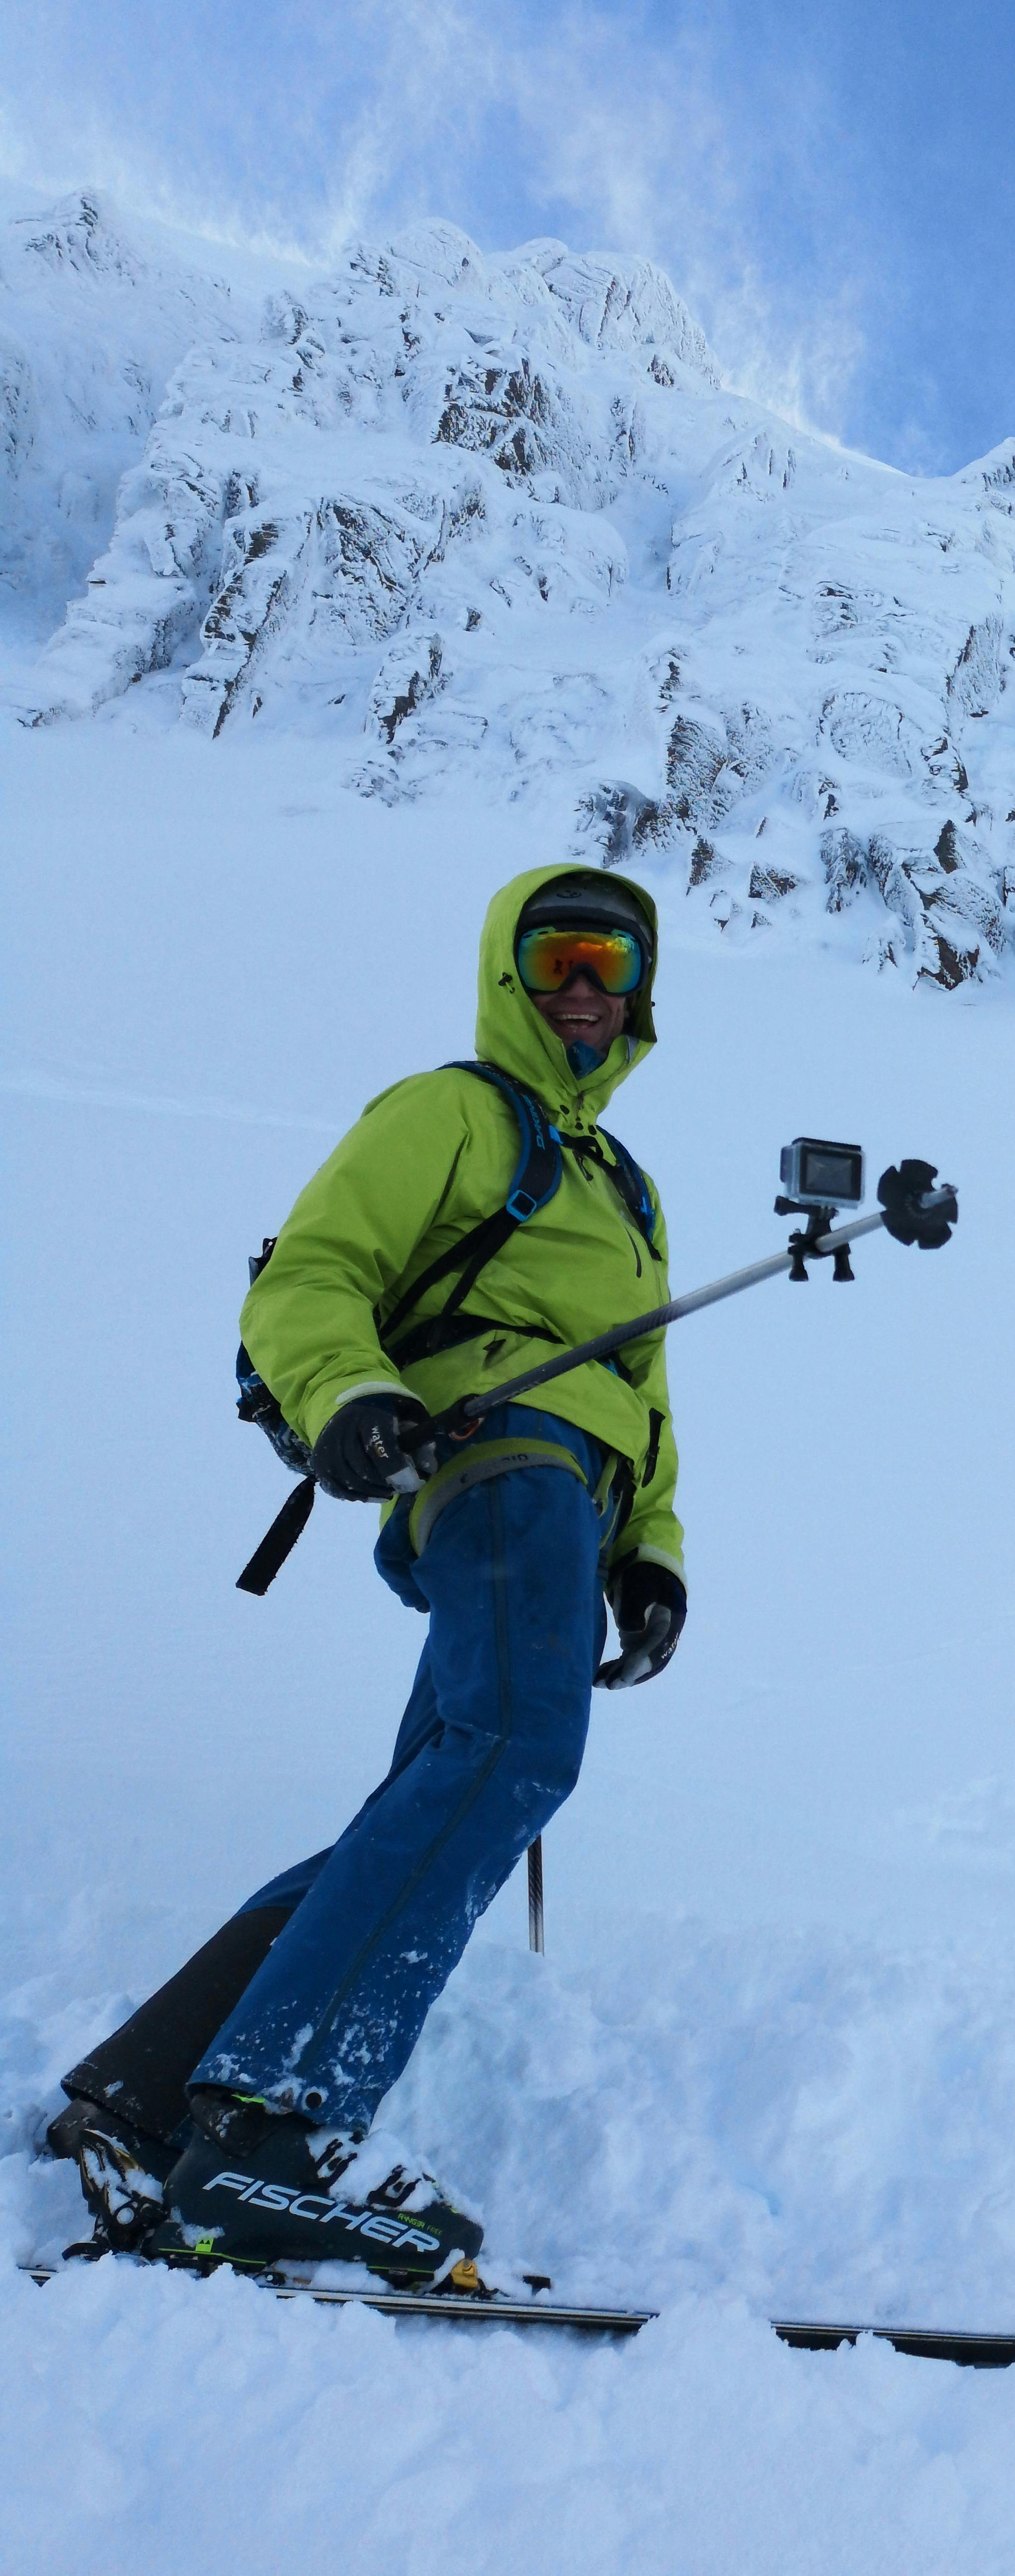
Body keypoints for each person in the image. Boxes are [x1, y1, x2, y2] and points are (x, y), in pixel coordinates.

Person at [46, 865, 689, 2292]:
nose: (587, 987)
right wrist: (346, 1396)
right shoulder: (452, 1113)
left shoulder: (628, 1193)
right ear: (510, 974)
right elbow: (308, 1279)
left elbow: (649, 1405)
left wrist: (652, 1558)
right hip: (494, 1467)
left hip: (570, 1511)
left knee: (437, 1789)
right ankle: (273, 2126)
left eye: (614, 968)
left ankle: (152, 2097)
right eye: (560, 957)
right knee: (514, 1751)